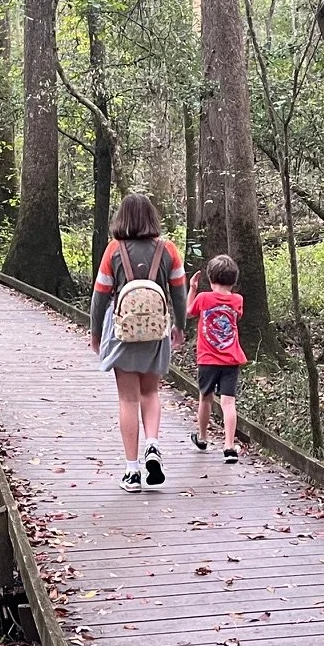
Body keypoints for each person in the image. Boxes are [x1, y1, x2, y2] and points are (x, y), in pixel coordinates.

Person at [89, 194, 187, 492]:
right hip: (156, 332)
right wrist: (180, 327)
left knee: (127, 399)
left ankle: (132, 471)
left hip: (122, 332)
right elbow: (180, 294)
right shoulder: (168, 249)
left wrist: (95, 334)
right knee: (151, 392)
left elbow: (100, 297)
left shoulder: (113, 250)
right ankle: (153, 445)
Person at [187, 254, 247, 464]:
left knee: (205, 398)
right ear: (234, 280)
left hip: (207, 357)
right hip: (231, 358)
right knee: (228, 403)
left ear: (210, 278)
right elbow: (236, 316)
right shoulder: (237, 300)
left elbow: (188, 313)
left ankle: (202, 438)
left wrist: (193, 288)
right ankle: (229, 447)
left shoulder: (203, 298)